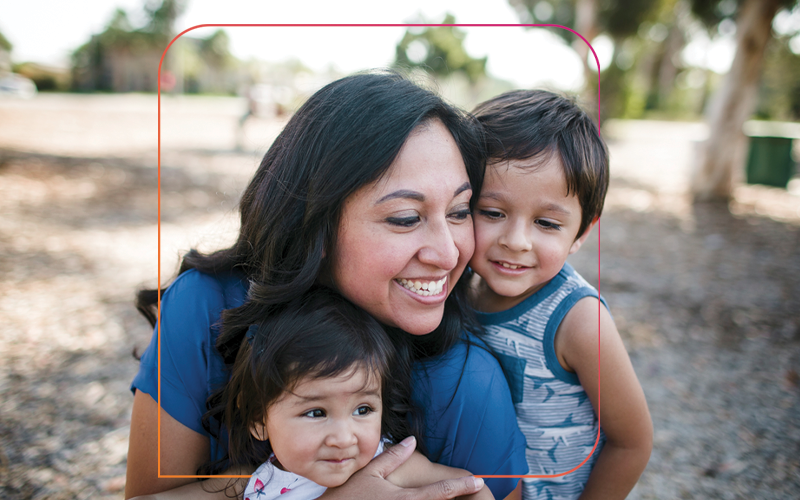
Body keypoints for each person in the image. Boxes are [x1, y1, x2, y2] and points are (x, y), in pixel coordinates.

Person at [125, 71, 527, 500]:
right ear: (313, 223)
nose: (448, 255)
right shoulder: (207, 307)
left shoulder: (465, 382)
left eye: (460, 211)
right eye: (406, 218)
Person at [468, 90, 653, 499]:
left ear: (581, 234)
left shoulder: (578, 320)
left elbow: (632, 441)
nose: (516, 241)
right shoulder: (456, 288)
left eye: (547, 224)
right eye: (493, 212)